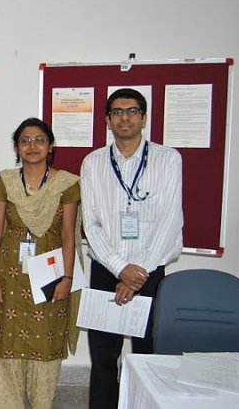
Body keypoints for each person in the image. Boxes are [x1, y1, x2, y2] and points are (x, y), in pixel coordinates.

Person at [81, 88, 183, 409]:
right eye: (117, 112)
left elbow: (170, 221)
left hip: (150, 273)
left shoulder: (168, 160)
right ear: (107, 120)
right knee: (103, 357)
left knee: (148, 354)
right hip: (105, 271)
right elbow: (91, 225)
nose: (124, 117)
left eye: (132, 111)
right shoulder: (93, 163)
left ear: (144, 117)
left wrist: (137, 273)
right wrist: (120, 268)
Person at [0, 118, 82, 409]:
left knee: (46, 343)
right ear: (17, 147)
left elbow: (68, 235)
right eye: (25, 140)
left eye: (39, 140)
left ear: (50, 146)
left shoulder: (67, 184)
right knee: (7, 344)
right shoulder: (6, 182)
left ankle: (41, 403)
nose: (32, 146)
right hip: (9, 276)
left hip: (50, 274)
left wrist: (67, 278)